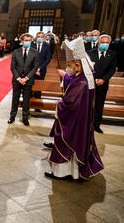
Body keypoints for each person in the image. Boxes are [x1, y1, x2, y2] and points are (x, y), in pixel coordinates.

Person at [45, 37, 104, 181]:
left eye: (70, 65)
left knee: (67, 143)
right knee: (76, 143)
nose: (69, 67)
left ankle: (64, 173)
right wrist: (65, 77)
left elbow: (70, 103)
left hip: (74, 121)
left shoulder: (82, 82)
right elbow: (72, 86)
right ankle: (74, 172)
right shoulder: (84, 78)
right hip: (80, 120)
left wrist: (59, 105)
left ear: (78, 65)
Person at [8, 33, 39, 126]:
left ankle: (25, 117)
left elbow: (35, 67)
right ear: (22, 41)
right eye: (26, 40)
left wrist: (26, 78)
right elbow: (13, 67)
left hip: (28, 80)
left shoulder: (35, 52)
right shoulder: (16, 52)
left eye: (29, 40)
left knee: (26, 100)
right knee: (15, 99)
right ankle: (12, 116)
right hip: (17, 80)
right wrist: (18, 78)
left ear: (31, 41)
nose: (27, 42)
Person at [88, 34, 117, 133]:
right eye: (103, 42)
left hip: (103, 84)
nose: (104, 44)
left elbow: (112, 70)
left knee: (99, 104)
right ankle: (86, 123)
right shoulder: (90, 53)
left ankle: (96, 124)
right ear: (98, 43)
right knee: (88, 103)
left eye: (107, 43)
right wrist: (94, 79)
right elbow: (87, 68)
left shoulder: (112, 54)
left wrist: (103, 80)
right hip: (91, 83)